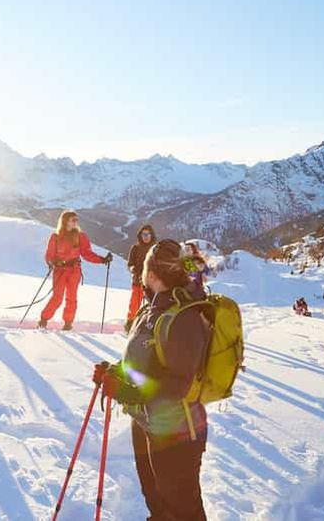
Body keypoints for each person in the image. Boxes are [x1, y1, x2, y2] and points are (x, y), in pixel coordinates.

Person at [94, 239, 210, 520]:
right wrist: (117, 372)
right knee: (157, 500)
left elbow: (177, 384)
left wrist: (126, 392)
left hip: (178, 432)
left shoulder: (185, 316)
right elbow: (146, 361)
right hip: (147, 421)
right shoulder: (152, 309)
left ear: (152, 274)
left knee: (183, 510)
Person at [38, 210, 112, 331]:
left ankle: (68, 324)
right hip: (60, 271)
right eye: (73, 220)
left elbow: (87, 253)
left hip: (74, 271)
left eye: (76, 220)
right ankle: (43, 320)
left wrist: (102, 259)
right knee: (57, 298)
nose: (76, 222)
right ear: (65, 221)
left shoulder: (80, 236)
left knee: (71, 298)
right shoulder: (55, 237)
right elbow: (49, 255)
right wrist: (52, 262)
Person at [125, 225, 157, 332]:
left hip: (151, 283)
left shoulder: (155, 249)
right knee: (134, 304)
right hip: (137, 280)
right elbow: (130, 264)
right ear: (140, 235)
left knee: (153, 304)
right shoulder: (135, 248)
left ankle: (151, 324)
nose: (146, 236)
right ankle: (130, 324)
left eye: (148, 234)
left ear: (152, 235)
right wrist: (133, 269)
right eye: (144, 234)